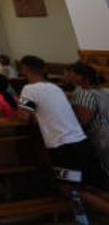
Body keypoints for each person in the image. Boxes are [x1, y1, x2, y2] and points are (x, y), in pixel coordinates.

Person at [17, 55, 109, 216]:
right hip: (81, 142)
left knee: (70, 190)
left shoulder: (29, 89)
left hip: (62, 148)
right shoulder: (54, 87)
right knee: (92, 186)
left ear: (24, 69)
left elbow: (23, 116)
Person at [68, 62, 109, 186]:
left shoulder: (85, 94)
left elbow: (83, 121)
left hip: (101, 138)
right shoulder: (105, 90)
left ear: (81, 77)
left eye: (73, 74)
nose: (71, 77)